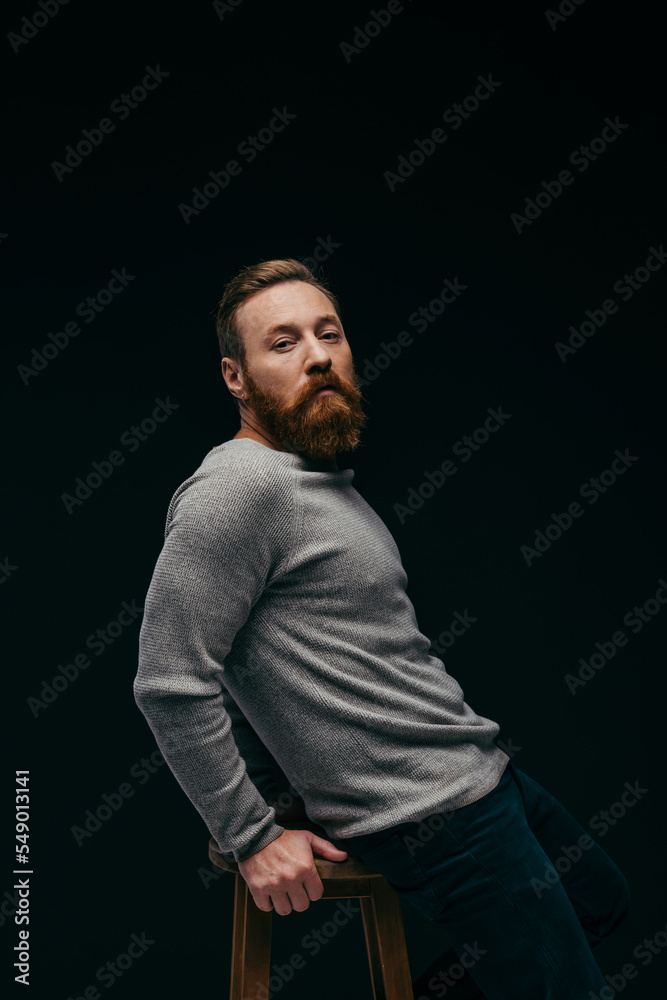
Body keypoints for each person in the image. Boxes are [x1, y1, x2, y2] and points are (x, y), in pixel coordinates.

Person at [133, 259, 629, 999]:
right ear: (235, 378)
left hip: (480, 771)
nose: (318, 355)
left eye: (327, 334)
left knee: (601, 902)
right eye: (284, 342)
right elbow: (171, 682)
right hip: (431, 815)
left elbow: (250, 667)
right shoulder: (238, 487)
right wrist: (254, 834)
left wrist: (279, 794)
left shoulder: (318, 481)